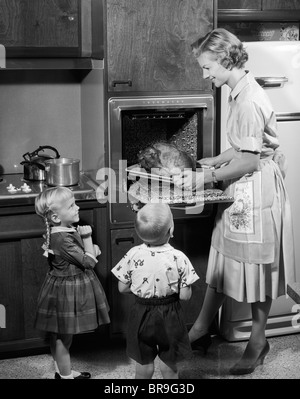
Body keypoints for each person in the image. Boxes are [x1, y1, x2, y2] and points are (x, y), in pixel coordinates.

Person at [174, 28, 295, 375]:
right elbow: (244, 144)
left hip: (256, 191)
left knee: (256, 268)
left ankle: (258, 341)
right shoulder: (236, 91)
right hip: (242, 190)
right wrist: (214, 160)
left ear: (226, 60)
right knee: (223, 258)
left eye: (207, 67)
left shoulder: (250, 99)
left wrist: (203, 177)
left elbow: (251, 160)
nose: (204, 74)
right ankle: (199, 329)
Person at [111, 203, 199, 379]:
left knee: (143, 364)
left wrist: (140, 289)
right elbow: (185, 295)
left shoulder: (133, 254)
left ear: (138, 232)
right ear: (171, 230)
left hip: (141, 313)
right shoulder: (179, 258)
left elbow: (122, 287)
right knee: (169, 364)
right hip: (170, 314)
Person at [34, 187, 110, 379]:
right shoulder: (63, 240)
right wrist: (87, 238)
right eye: (71, 206)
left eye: (75, 203)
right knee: (63, 337)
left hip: (61, 289)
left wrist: (89, 248)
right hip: (67, 292)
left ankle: (61, 371)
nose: (77, 208)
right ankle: (66, 377)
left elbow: (84, 255)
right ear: (55, 217)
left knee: (59, 336)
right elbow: (88, 262)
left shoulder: (61, 232)